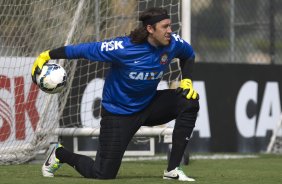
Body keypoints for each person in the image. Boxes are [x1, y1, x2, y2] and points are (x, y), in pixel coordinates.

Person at [31, 7, 199, 181]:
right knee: (102, 174)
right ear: (150, 29)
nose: (170, 31)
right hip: (118, 114)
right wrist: (47, 55)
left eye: (170, 26)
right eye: (164, 27)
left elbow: (188, 55)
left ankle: (173, 170)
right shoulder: (122, 48)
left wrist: (186, 81)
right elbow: (81, 50)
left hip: (148, 105)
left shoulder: (173, 43)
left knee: (189, 101)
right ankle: (59, 153)